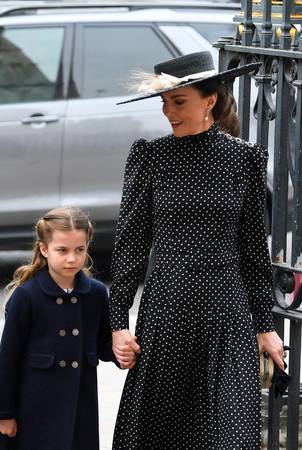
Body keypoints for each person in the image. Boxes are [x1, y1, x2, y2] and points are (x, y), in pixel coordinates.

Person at [110, 51, 285, 449]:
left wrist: (264, 325)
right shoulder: (150, 157)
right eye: (165, 104)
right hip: (168, 310)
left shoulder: (245, 159)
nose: (169, 113)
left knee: (229, 433)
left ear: (210, 100)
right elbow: (130, 246)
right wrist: (119, 322)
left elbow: (254, 251)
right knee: (164, 434)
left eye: (179, 101)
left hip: (227, 313)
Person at [0, 207, 120, 450]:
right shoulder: (27, 296)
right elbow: (7, 359)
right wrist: (4, 413)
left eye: (79, 250)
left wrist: (123, 351)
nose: (72, 258)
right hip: (35, 405)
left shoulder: (96, 294)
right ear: (44, 249)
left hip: (80, 403)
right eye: (62, 250)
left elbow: (103, 346)